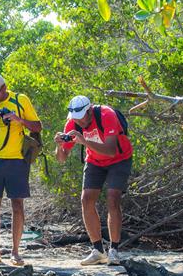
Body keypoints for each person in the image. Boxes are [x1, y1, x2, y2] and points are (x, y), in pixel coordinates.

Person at [54, 95, 133, 265]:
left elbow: (111, 150)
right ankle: (98, 250)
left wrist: (84, 141)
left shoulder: (106, 115)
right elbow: (61, 158)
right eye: (75, 119)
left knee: (113, 198)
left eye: (81, 118)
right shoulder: (73, 123)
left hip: (119, 159)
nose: (79, 123)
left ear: (89, 111)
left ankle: (114, 250)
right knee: (86, 199)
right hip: (95, 162)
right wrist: (59, 144)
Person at [0, 73, 42, 266]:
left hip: (17, 161)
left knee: (17, 206)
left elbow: (38, 126)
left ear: (4, 89)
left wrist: (18, 119)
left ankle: (15, 252)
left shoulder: (20, 100)